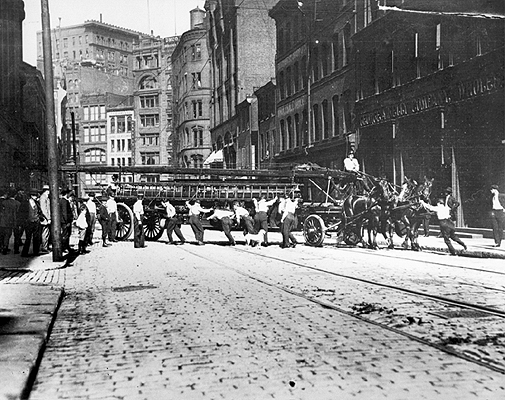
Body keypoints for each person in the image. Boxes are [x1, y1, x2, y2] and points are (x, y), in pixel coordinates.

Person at [19, 189, 42, 257]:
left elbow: (39, 211)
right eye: (35, 195)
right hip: (28, 222)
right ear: (31, 196)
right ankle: (24, 253)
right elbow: (21, 213)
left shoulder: (37, 202)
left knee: (36, 238)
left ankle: (36, 252)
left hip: (36, 221)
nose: (36, 197)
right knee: (28, 238)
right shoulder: (25, 203)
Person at [0, 189, 20, 255]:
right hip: (14, 221)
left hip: (4, 221)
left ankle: (4, 247)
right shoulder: (17, 203)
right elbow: (18, 213)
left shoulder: (4, 202)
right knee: (15, 235)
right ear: (15, 195)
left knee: (5, 235)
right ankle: (15, 249)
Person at [39, 184, 51, 253]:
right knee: (45, 233)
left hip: (46, 219)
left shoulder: (46, 197)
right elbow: (44, 209)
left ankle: (45, 246)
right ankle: (44, 247)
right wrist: (48, 218)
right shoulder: (43, 197)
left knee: (47, 233)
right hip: (45, 219)